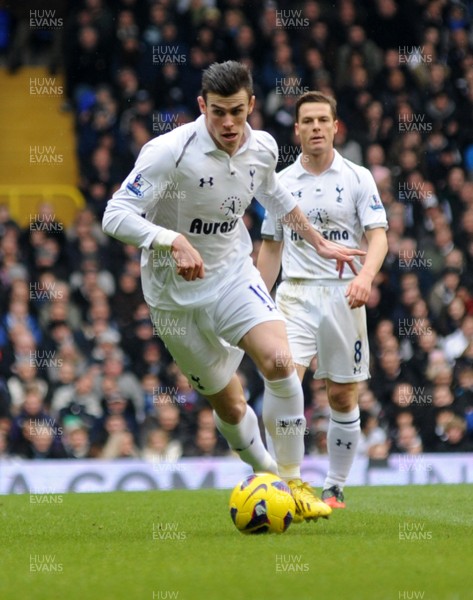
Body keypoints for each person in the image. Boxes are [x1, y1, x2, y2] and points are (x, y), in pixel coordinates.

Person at [102, 61, 364, 522]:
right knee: (229, 402)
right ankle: (269, 474)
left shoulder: (262, 147)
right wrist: (171, 240)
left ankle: (293, 481)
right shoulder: (169, 152)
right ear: (201, 106)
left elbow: (276, 196)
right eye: (218, 112)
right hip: (172, 299)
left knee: (280, 361)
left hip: (231, 275)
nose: (227, 123)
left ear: (252, 107)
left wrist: (318, 241)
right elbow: (115, 214)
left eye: (237, 112)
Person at [258, 91, 388, 508]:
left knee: (342, 397)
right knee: (283, 381)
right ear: (296, 130)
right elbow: (272, 246)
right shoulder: (280, 182)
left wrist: (366, 277)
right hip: (294, 293)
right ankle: (285, 481)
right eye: (307, 121)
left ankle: (334, 485)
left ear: (335, 127)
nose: (315, 127)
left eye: (322, 121)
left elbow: (378, 235)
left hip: (343, 297)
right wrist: (259, 299)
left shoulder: (357, 176)